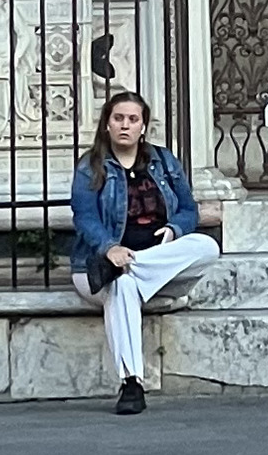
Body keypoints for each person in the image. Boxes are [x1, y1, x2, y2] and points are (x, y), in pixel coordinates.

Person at [67, 90, 221, 414]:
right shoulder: (91, 166)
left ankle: (135, 266)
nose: (125, 125)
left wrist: (174, 230)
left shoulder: (163, 160)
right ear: (107, 125)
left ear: (143, 126)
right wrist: (109, 249)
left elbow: (189, 210)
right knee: (122, 286)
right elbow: (85, 217)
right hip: (98, 268)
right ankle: (132, 383)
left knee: (207, 246)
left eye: (133, 119)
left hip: (158, 265)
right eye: (118, 118)